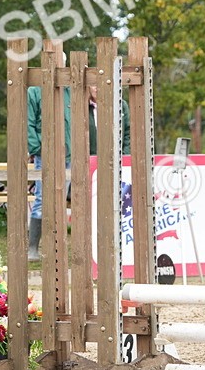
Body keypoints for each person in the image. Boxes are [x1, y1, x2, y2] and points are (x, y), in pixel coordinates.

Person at [27, 82, 130, 261]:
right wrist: (37, 148)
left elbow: (127, 132)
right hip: (73, 156)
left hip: (96, 159)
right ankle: (35, 248)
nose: (97, 88)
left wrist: (126, 157)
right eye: (93, 85)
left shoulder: (119, 105)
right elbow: (30, 122)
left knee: (101, 203)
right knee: (44, 200)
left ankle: (103, 245)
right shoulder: (79, 102)